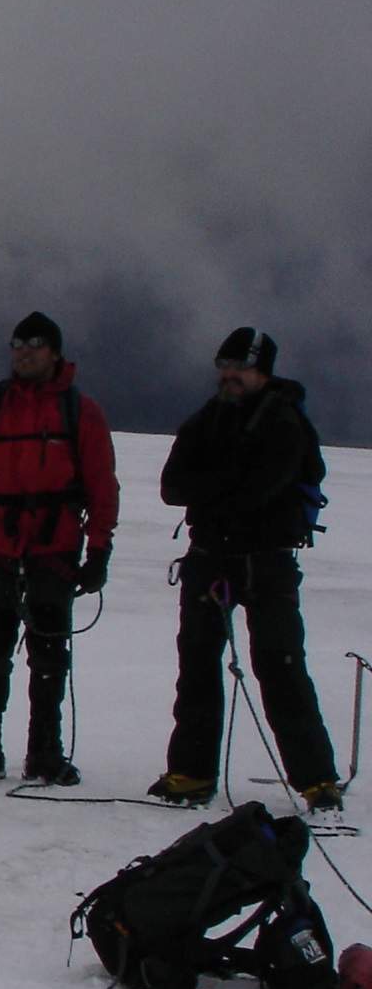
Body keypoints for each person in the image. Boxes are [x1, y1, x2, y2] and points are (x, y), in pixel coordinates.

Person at [149, 330, 343, 812]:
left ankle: (317, 780)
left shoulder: (283, 422)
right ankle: (192, 773)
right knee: (196, 662)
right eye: (225, 363)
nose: (230, 374)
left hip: (266, 561)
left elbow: (260, 487)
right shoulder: (208, 419)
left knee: (279, 665)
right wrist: (226, 488)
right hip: (211, 556)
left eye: (242, 366)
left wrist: (211, 488)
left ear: (263, 372)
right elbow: (172, 487)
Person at [0, 312, 120, 786]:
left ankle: (45, 751)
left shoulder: (81, 412)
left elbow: (103, 486)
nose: (24, 352)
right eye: (18, 343)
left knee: (49, 653)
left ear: (55, 352)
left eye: (35, 344)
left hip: (53, 547)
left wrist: (98, 551)